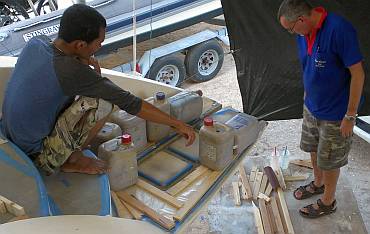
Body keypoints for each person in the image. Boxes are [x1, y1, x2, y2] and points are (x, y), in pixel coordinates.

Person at [0, 4, 195, 175]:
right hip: (35, 154)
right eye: (98, 42)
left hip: (9, 136)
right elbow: (130, 103)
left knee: (94, 91)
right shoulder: (71, 71)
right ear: (80, 44)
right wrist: (176, 123)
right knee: (103, 102)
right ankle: (71, 160)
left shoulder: (37, 43)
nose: (100, 46)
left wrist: (80, 60)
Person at [277, 0, 365, 218]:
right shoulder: (303, 34)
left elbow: (358, 74)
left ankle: (328, 201)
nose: (292, 33)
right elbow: (309, 65)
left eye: (290, 29)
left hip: (336, 114)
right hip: (312, 106)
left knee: (331, 159)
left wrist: (350, 115)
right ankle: (318, 183)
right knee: (313, 147)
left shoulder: (339, 29)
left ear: (301, 20)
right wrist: (308, 95)